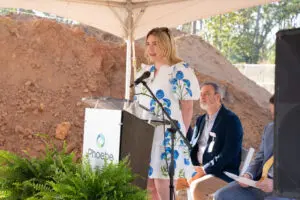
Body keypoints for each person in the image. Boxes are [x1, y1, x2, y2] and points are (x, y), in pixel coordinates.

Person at [135, 27, 200, 200]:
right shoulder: (145, 72)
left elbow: (187, 107)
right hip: (146, 134)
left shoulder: (179, 70)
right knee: (148, 185)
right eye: (148, 44)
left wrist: (182, 136)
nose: (150, 48)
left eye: (155, 44)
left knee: (163, 184)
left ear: (166, 45)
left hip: (168, 135)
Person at [214, 94, 293, 200]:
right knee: (222, 195)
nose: (275, 119)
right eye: (273, 114)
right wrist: (248, 175)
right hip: (259, 182)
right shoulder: (269, 128)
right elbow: (260, 158)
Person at [186, 82, 244, 199]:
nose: (202, 97)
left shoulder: (231, 120)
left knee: (197, 187)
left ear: (217, 97)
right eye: (201, 94)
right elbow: (193, 146)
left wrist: (204, 170)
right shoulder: (201, 120)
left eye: (206, 93)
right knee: (172, 180)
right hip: (199, 168)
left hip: (222, 173)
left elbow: (228, 154)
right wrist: (191, 167)